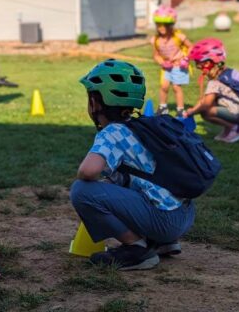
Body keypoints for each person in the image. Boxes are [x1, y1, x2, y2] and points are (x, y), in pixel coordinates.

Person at [70, 59, 195, 270]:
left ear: (97, 102)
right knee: (121, 181)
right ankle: (161, 243)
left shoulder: (112, 132)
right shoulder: (144, 125)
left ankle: (136, 248)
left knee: (81, 191)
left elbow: (87, 171)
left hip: (164, 221)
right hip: (185, 215)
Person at [183, 39, 239, 143]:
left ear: (207, 63)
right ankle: (229, 129)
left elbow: (206, 104)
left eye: (197, 62)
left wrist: (192, 111)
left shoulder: (215, 82)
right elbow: (205, 99)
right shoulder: (227, 72)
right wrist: (193, 109)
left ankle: (237, 128)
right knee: (209, 106)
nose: (197, 65)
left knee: (206, 112)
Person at [151, 5, 191, 116]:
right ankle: (163, 107)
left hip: (178, 65)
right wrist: (162, 62)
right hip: (166, 66)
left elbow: (191, 47)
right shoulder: (155, 39)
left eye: (166, 25)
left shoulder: (178, 36)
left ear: (171, 25)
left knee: (176, 87)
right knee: (163, 86)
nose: (162, 27)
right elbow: (156, 55)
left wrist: (186, 58)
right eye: (159, 25)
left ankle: (180, 109)